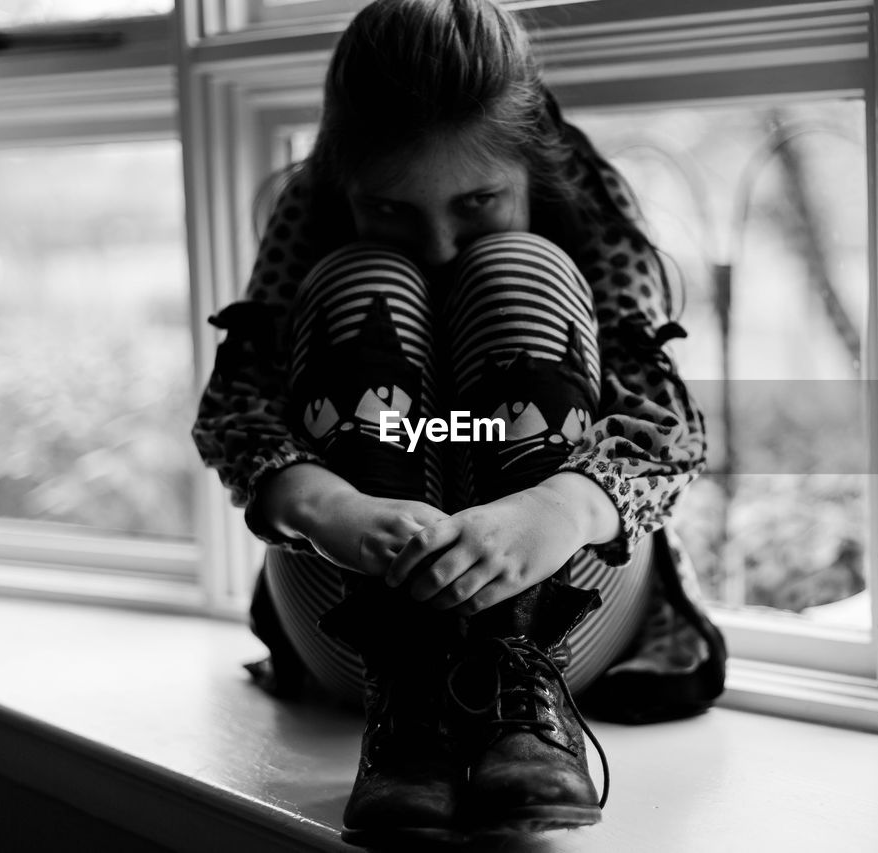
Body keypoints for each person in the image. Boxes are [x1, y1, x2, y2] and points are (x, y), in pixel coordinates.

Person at [192, 0, 726, 845]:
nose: (438, 244)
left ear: (534, 175)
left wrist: (559, 509)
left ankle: (518, 691)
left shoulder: (581, 199)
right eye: (394, 209)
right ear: (346, 184)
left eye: (477, 201)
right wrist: (329, 506)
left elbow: (667, 424)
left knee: (518, 269)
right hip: (357, 628)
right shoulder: (314, 206)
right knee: (362, 282)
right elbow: (236, 407)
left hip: (564, 613)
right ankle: (407, 703)